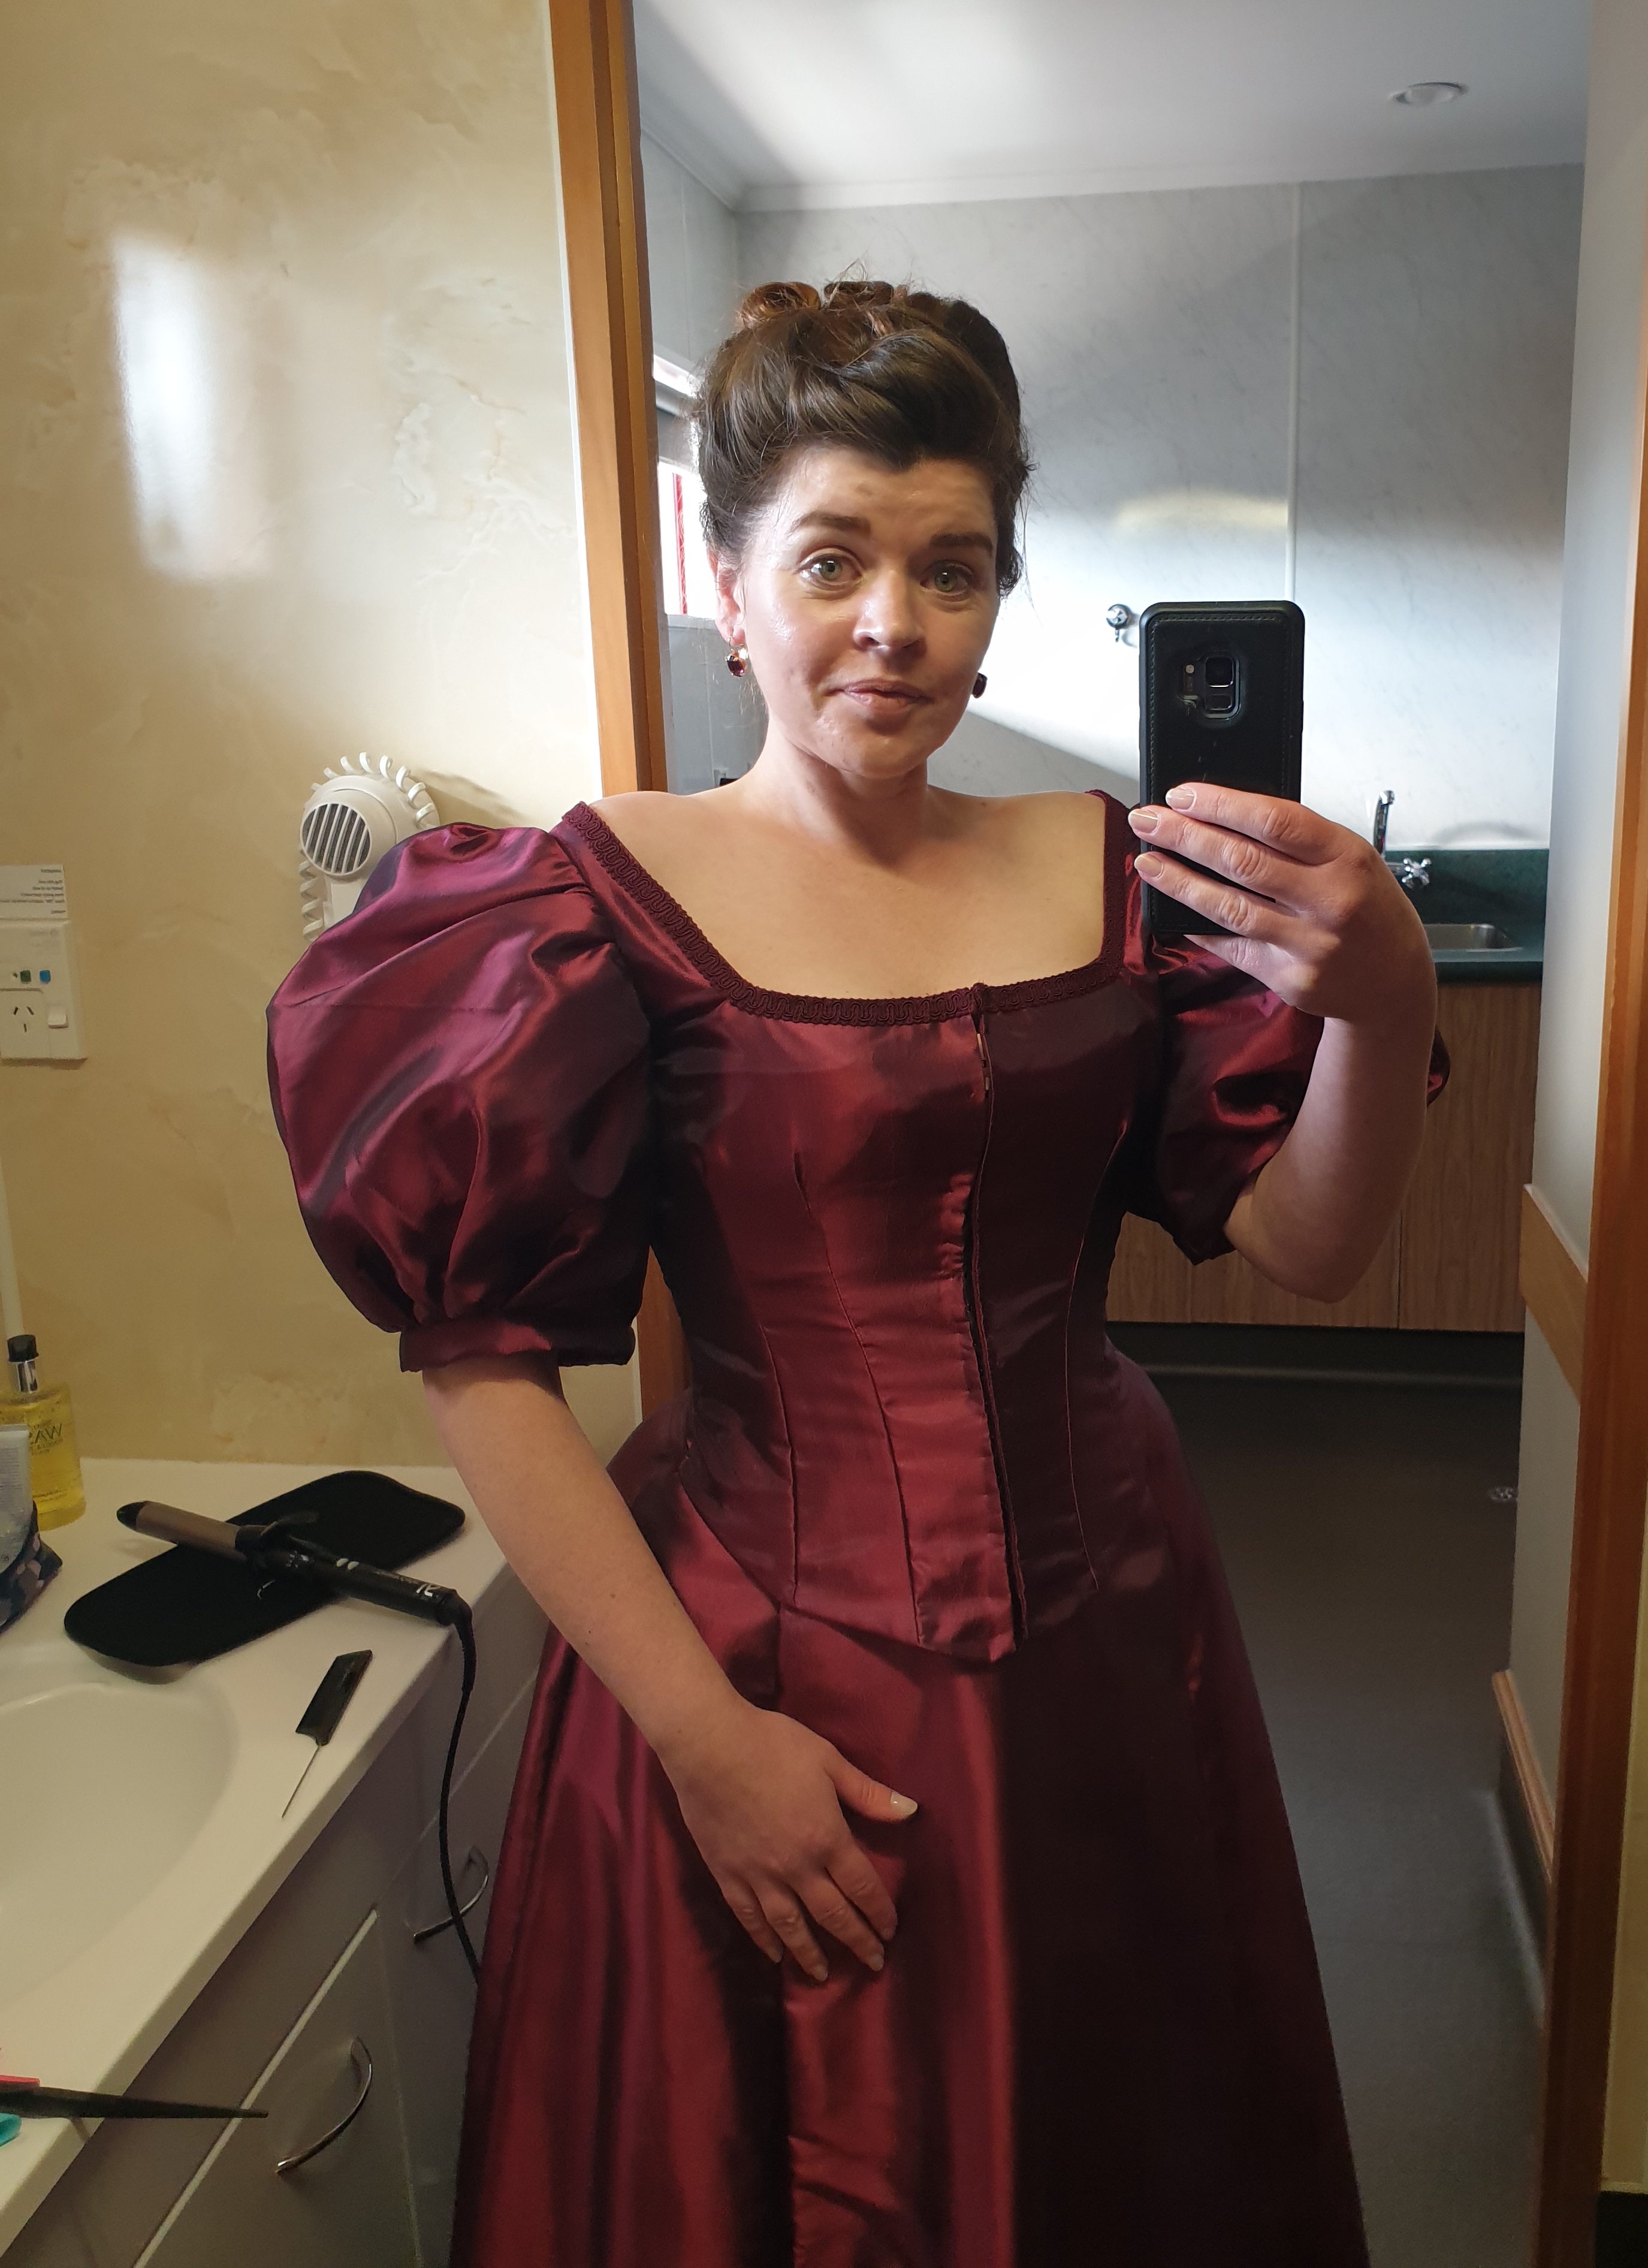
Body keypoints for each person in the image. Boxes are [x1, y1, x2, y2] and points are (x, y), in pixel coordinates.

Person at [268, 277, 1439, 2267]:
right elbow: (482, 1364)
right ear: (729, 588)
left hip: (1111, 1631)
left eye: (951, 568)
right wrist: (704, 1747)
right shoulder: (582, 903)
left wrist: (1383, 997)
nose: (895, 621)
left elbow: (1314, 1246)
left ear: (996, 600)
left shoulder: (1115, 872)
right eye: (832, 560)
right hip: (739, 1653)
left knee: (1112, 2133)